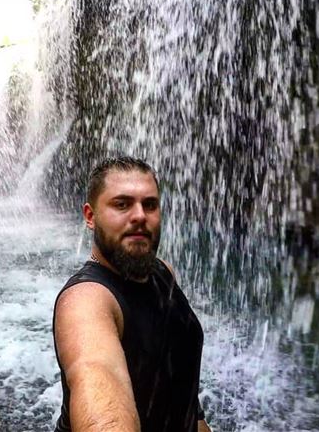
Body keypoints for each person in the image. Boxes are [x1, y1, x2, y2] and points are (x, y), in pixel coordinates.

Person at [53, 156, 211, 432]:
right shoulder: (86, 301)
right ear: (90, 216)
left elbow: (181, 393)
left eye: (149, 205)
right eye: (122, 204)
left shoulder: (163, 273)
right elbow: (97, 377)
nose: (139, 215)